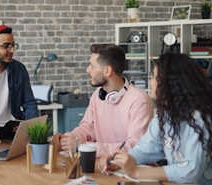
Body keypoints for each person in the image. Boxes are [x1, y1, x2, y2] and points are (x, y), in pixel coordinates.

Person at [99, 53, 212, 185]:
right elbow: (145, 149)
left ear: (170, 82)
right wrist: (119, 161)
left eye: (153, 76)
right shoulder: (165, 115)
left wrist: (136, 171)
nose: (150, 81)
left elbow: (190, 172)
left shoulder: (202, 118)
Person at [55, 44, 154, 157]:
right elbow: (87, 128)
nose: (88, 70)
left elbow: (135, 147)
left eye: (92, 66)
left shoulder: (139, 100)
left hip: (135, 170)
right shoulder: (98, 95)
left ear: (107, 71)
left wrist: (85, 147)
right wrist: (68, 139)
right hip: (106, 166)